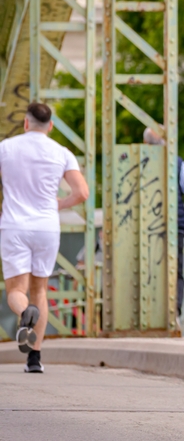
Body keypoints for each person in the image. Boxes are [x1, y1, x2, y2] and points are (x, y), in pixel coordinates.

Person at [0, 102, 89, 373]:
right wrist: (58, 204)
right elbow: (82, 193)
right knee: (40, 290)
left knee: (16, 291)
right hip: (47, 228)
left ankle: (24, 311)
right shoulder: (62, 153)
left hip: (14, 226)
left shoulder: (6, 148)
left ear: (26, 123)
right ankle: (34, 359)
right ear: (50, 126)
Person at [142, 126, 184, 318]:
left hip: (144, 227)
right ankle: (174, 311)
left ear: (146, 143)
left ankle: (150, 313)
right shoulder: (177, 163)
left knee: (147, 269)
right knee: (175, 270)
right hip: (175, 227)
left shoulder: (140, 162)